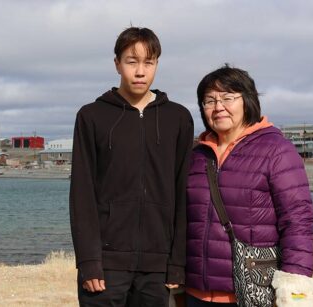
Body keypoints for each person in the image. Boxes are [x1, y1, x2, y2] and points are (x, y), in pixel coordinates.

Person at [69, 26, 193, 306]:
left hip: (159, 266)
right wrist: (88, 261)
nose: (140, 72)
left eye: (148, 62)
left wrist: (178, 262)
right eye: (131, 61)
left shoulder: (178, 118)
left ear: (157, 64)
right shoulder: (91, 116)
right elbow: (82, 194)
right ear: (117, 64)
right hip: (106, 264)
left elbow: (182, 193)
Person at [185, 64, 313, 306]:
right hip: (195, 294)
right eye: (210, 100)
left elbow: (297, 220)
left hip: (251, 292)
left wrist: (294, 287)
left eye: (228, 98)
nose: (218, 107)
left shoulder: (276, 151)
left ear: (248, 100)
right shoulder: (197, 155)